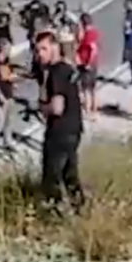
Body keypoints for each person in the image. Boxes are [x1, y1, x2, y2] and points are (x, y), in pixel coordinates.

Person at [35, 32, 84, 213]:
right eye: (37, 50)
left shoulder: (56, 72)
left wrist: (42, 108)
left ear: (55, 47)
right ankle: (79, 208)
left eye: (44, 49)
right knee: (70, 173)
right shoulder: (67, 68)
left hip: (59, 131)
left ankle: (52, 211)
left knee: (52, 175)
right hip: (74, 129)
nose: (40, 54)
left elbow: (57, 108)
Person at [76, 13, 100, 119]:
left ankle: (88, 110)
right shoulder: (94, 32)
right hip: (93, 63)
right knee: (92, 87)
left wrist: (88, 64)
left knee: (86, 88)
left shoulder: (89, 34)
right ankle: (94, 107)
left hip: (87, 64)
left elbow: (93, 49)